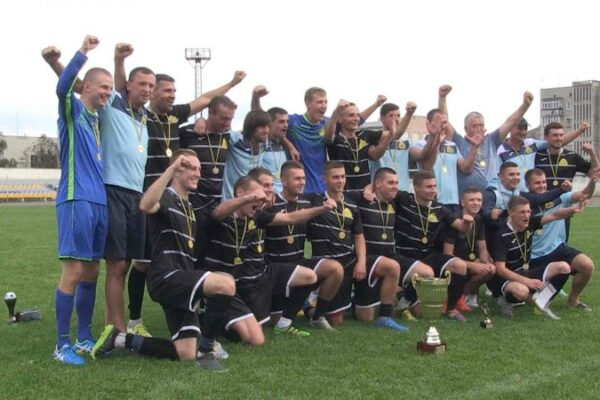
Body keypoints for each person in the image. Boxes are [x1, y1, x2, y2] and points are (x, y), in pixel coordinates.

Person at [113, 43, 247, 336]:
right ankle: (134, 320)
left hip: (176, 199)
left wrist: (232, 83)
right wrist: (120, 61)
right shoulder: (140, 115)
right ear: (152, 93)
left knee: (181, 256)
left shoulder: (176, 117)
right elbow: (121, 89)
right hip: (150, 196)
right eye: (166, 90)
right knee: (142, 263)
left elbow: (206, 99)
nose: (172, 95)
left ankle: (185, 309)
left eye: (174, 91)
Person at [42, 40, 157, 335]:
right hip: (98, 193)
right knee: (97, 268)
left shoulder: (135, 117)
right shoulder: (97, 109)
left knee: (105, 268)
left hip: (122, 198)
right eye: (141, 84)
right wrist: (76, 57)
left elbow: (99, 90)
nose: (147, 89)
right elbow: (74, 87)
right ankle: (104, 332)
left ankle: (90, 333)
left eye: (151, 86)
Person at [92, 149, 236, 371]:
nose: (198, 174)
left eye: (199, 169)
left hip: (181, 280)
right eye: (192, 168)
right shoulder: (167, 197)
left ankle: (120, 339)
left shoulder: (189, 207)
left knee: (185, 352)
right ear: (177, 171)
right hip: (166, 276)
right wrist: (170, 169)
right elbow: (145, 205)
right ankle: (208, 349)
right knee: (226, 284)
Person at [205, 176, 336, 344]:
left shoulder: (256, 216)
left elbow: (290, 218)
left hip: (261, 274)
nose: (261, 197)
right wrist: (249, 198)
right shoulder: (224, 211)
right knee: (250, 338)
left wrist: (322, 209)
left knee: (309, 276)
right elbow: (218, 213)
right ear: (240, 192)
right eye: (257, 193)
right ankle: (209, 324)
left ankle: (283, 324)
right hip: (221, 282)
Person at [47, 35, 111, 366]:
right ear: (85, 86)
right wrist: (82, 52)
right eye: (103, 87)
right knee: (73, 271)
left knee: (92, 271)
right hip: (76, 199)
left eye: (110, 88)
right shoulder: (72, 110)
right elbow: (63, 88)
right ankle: (61, 344)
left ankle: (84, 335)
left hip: (98, 202)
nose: (108, 93)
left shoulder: (98, 119)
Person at [252, 86, 386, 193]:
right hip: (301, 187)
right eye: (319, 102)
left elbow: (355, 120)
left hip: (323, 188)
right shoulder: (294, 121)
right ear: (307, 103)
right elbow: (266, 121)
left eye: (326, 102)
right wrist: (290, 145)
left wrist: (376, 104)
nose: (324, 105)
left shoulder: (327, 123)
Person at [263, 161, 344, 330]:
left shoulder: (309, 201)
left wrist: (370, 188)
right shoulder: (270, 203)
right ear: (284, 180)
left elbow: (337, 193)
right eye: (297, 179)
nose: (302, 182)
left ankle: (317, 316)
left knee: (335, 269)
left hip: (298, 261)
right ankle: (290, 316)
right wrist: (266, 196)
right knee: (270, 320)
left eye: (303, 178)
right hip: (275, 266)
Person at [393, 171, 473, 321]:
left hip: (428, 257)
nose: (433, 190)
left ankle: (451, 308)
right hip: (403, 255)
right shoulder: (404, 199)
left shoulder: (439, 209)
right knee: (421, 311)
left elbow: (463, 228)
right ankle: (403, 301)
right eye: (428, 187)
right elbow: (383, 188)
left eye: (435, 186)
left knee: (460, 266)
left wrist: (468, 222)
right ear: (416, 188)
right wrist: (369, 190)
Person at [488, 196, 584, 319]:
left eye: (528, 211)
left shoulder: (530, 223)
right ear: (511, 213)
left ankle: (542, 301)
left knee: (564, 267)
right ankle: (504, 299)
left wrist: (574, 209)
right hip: (505, 278)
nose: (527, 215)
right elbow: (501, 270)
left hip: (526, 271)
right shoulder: (501, 235)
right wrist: (527, 281)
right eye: (522, 212)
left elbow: (555, 215)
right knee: (521, 291)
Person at [439, 85, 534, 193]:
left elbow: (510, 122)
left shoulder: (491, 140)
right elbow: (444, 122)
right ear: (466, 129)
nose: (479, 129)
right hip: (468, 197)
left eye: (481, 125)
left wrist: (525, 106)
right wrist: (442, 98)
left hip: (492, 196)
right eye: (475, 126)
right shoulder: (458, 141)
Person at [526, 168, 597, 312]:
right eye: (537, 183)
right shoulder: (525, 203)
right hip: (533, 255)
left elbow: (585, 194)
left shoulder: (559, 198)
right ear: (527, 185)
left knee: (586, 265)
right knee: (525, 295)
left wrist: (593, 181)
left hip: (557, 248)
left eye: (544, 182)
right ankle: (537, 298)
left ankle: (573, 300)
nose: (542, 185)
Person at [415, 108, 479, 212]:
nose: (443, 126)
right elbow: (427, 168)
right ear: (428, 124)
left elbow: (466, 169)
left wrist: (475, 148)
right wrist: (436, 144)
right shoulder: (419, 144)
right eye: (439, 122)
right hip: (432, 200)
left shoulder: (452, 145)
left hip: (453, 201)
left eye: (445, 122)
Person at [442, 187, 495, 309]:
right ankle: (452, 297)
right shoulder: (455, 221)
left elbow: (482, 248)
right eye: (472, 200)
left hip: (468, 261)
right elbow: (447, 255)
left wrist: (486, 263)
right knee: (466, 266)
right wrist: (473, 265)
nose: (476, 203)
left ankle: (463, 295)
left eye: (479, 200)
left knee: (490, 269)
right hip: (451, 265)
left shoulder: (478, 219)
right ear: (462, 202)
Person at [325, 101, 393, 193]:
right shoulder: (336, 138)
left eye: (357, 115)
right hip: (343, 194)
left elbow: (394, 135)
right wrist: (335, 112)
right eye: (351, 115)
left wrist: (390, 135)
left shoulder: (365, 135)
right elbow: (328, 136)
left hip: (364, 193)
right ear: (340, 119)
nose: (356, 119)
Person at [368, 102, 423, 191]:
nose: (396, 119)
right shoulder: (374, 138)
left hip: (403, 190)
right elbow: (395, 135)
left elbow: (421, 155)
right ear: (382, 119)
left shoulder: (406, 140)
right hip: (381, 191)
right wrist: (409, 114)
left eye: (398, 115)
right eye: (391, 116)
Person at [221, 110, 271, 200]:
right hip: (230, 200)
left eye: (268, 126)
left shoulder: (265, 143)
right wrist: (201, 121)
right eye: (262, 127)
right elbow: (214, 130)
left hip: (252, 200)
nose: (266, 130)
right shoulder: (235, 139)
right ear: (251, 127)